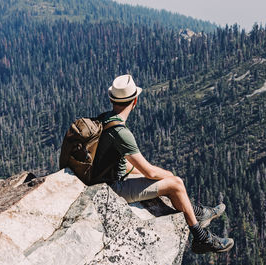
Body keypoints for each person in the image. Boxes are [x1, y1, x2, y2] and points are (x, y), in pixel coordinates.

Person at [92, 74, 234, 254]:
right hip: (112, 188)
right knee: (176, 184)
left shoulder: (104, 119)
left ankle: (197, 211)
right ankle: (201, 238)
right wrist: (170, 177)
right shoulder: (120, 132)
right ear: (135, 101)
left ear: (112, 100)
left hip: (105, 178)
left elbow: (119, 161)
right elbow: (150, 172)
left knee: (163, 179)